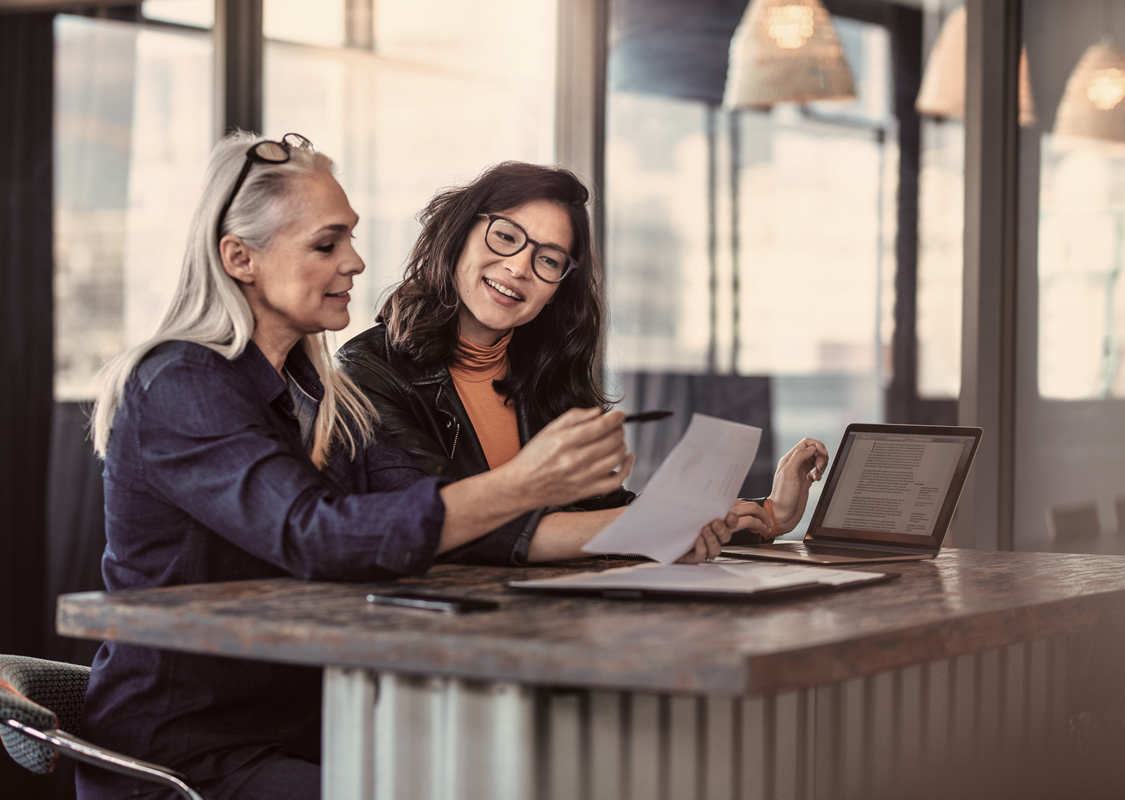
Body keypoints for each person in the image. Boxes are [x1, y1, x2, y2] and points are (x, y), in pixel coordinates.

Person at [79, 134, 735, 800]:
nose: (356, 263)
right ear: (239, 258)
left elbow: (440, 516)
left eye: (351, 240)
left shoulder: (322, 391)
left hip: (309, 725)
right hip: (191, 753)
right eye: (326, 244)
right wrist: (525, 482)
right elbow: (318, 535)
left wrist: (660, 526)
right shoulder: (180, 383)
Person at [338, 161, 829, 565]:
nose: (519, 267)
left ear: (557, 290)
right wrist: (661, 526)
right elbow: (444, 526)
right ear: (459, 234)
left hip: (548, 623)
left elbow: (601, 512)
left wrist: (769, 514)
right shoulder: (367, 373)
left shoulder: (543, 374)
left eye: (548, 260)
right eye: (505, 236)